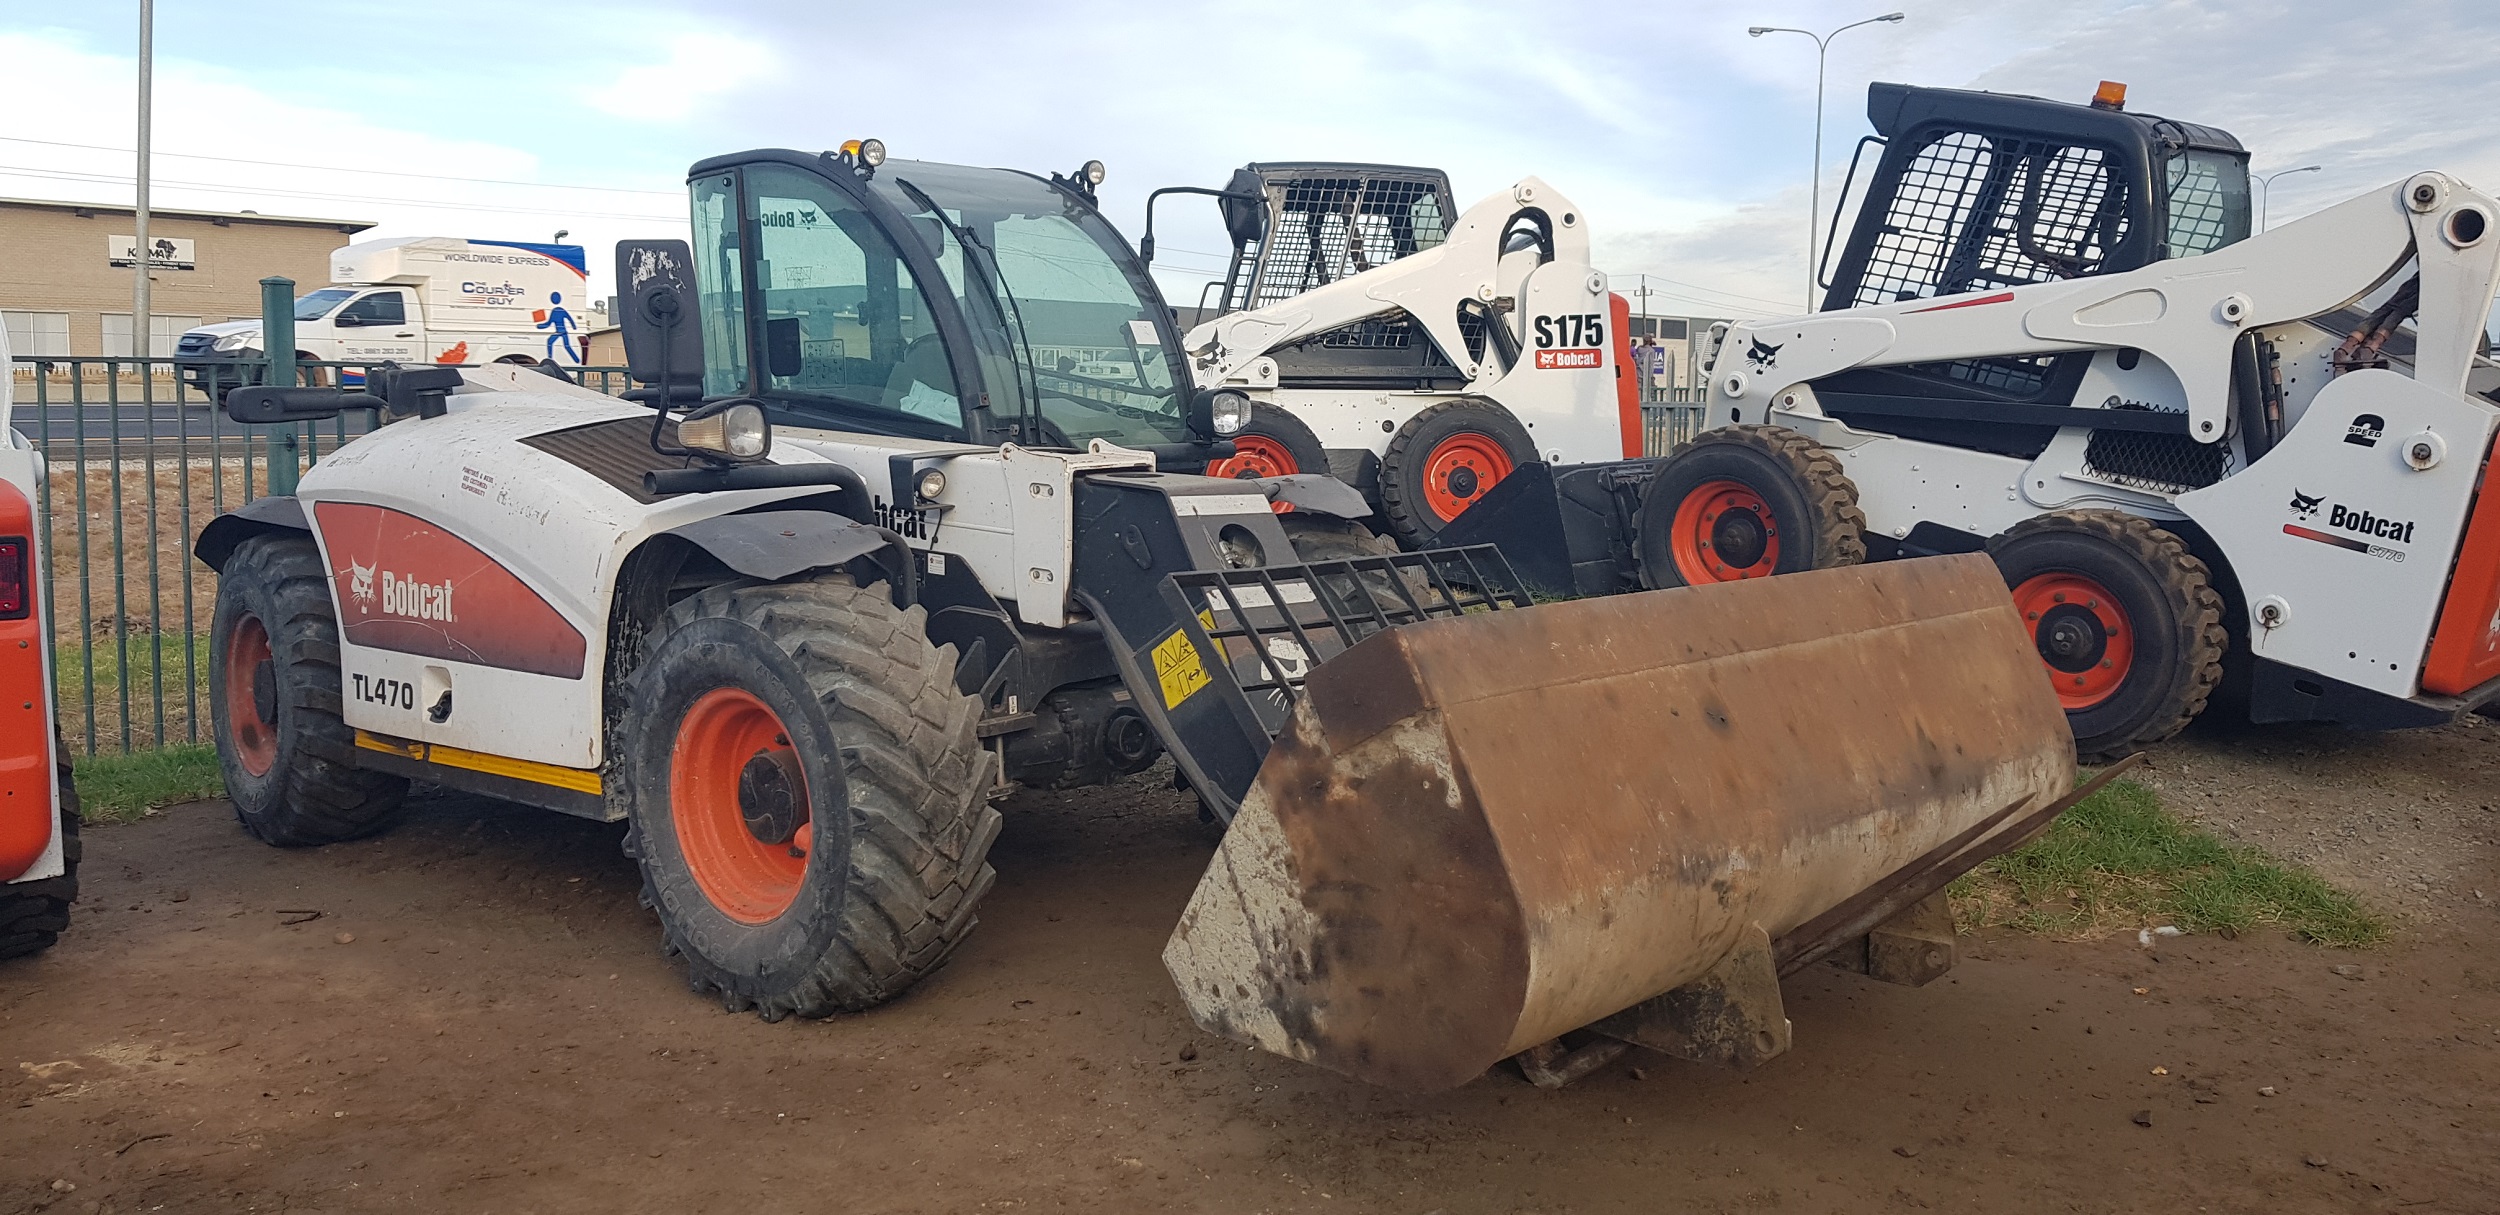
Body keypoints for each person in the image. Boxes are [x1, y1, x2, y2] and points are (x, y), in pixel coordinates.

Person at [536, 292, 579, 363]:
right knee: (564, 345)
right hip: (561, 332)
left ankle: (551, 359)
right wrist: (540, 326)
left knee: (560, 344)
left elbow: (569, 318)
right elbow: (549, 323)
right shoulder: (556, 311)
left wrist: (574, 326)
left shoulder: (558, 310)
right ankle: (575, 360)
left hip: (561, 332)